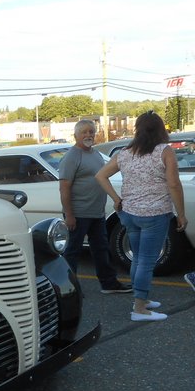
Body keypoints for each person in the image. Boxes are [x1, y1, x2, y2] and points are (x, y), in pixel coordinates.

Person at [94, 111, 188, 321]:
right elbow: (174, 184)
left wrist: (115, 198)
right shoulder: (165, 151)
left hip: (129, 213)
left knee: (138, 257)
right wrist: (180, 214)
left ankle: (141, 299)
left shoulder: (125, 153)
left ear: (138, 130)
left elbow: (100, 175)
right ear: (161, 130)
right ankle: (139, 309)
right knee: (146, 260)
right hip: (155, 214)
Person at [59, 119, 132, 294]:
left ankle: (109, 284)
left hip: (97, 213)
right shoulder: (71, 157)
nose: (88, 135)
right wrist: (69, 215)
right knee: (72, 252)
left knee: (101, 249)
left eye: (91, 132)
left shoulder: (95, 154)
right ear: (76, 135)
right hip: (78, 214)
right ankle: (69, 290)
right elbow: (64, 188)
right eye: (84, 132)